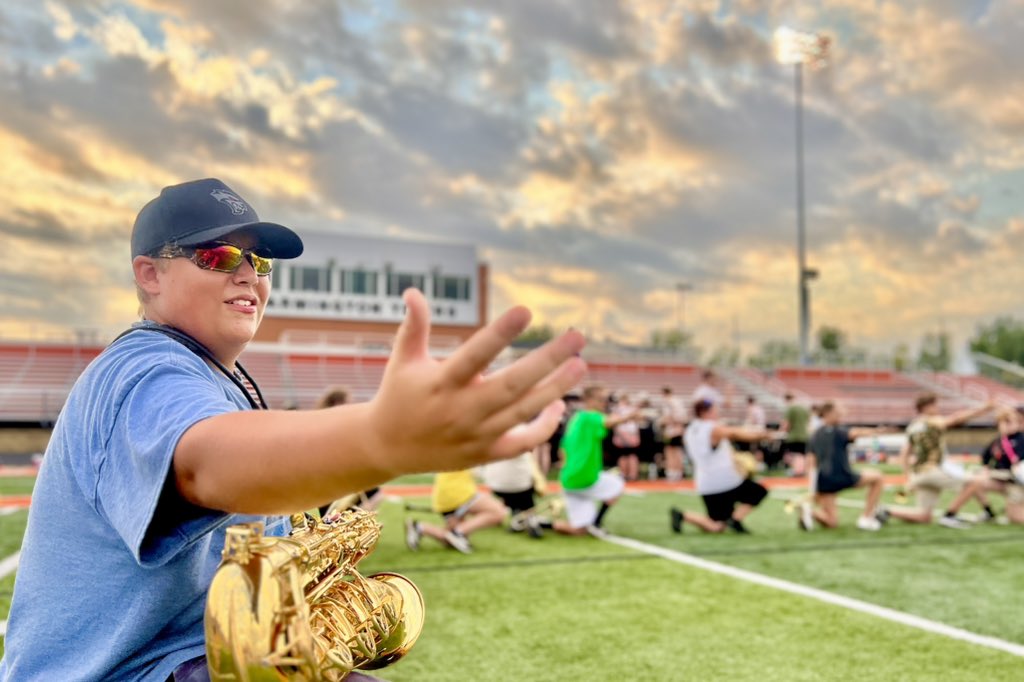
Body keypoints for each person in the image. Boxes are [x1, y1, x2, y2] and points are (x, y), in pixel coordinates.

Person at [0, 178, 586, 681]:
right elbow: (205, 461)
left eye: (259, 262)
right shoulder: (146, 367)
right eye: (218, 257)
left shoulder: (212, 373)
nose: (247, 275)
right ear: (149, 275)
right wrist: (382, 440)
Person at [879, 394, 997, 529]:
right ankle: (950, 515)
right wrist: (984, 409)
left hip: (918, 474)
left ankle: (887, 511)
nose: (937, 408)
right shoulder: (931, 421)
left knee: (924, 517)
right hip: (933, 470)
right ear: (926, 407)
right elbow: (956, 418)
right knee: (974, 482)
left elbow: (905, 453)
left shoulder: (913, 426)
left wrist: (908, 477)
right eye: (934, 405)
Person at [670, 400, 769, 534]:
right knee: (758, 492)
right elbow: (734, 433)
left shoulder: (690, 429)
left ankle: (683, 516)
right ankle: (735, 520)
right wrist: (761, 435)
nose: (717, 413)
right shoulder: (711, 428)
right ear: (705, 412)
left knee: (716, 526)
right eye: (714, 410)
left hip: (705, 483)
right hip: (725, 480)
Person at [553, 385, 635, 536]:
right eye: (603, 400)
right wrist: (630, 416)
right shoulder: (589, 417)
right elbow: (609, 422)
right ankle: (597, 522)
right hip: (584, 476)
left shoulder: (576, 419)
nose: (605, 404)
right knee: (618, 485)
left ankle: (546, 525)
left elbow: (562, 449)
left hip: (569, 477)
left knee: (579, 530)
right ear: (589, 400)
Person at [802, 402, 893, 532]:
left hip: (823, 480)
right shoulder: (838, 430)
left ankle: (810, 512)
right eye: (838, 413)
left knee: (831, 522)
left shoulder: (815, 434)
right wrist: (876, 431)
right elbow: (855, 432)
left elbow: (810, 461)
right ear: (828, 413)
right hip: (842, 475)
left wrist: (813, 487)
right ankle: (866, 518)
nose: (841, 415)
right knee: (877, 477)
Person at [314, 385, 384, 517]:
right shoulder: (333, 425)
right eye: (348, 401)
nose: (351, 405)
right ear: (338, 402)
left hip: (332, 482)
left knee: (375, 496)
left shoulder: (323, 422)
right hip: (334, 481)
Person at [405, 469, 509, 553]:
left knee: (450, 542)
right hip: (459, 494)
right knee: (498, 512)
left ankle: (420, 527)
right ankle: (458, 533)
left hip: (444, 498)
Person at [977, 408, 1024, 525]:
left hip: (1017, 483)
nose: (1005, 426)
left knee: (1017, 519)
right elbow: (985, 459)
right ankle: (988, 512)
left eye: (1009, 422)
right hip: (1001, 479)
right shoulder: (998, 441)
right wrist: (985, 469)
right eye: (1002, 423)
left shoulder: (1021, 438)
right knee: (974, 482)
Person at [659, 385, 688, 480]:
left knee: (672, 452)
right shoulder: (677, 402)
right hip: (675, 430)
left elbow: (673, 418)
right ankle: (675, 472)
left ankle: (674, 472)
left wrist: (665, 422)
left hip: (673, 431)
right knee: (673, 451)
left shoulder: (670, 402)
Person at [781, 393, 811, 475]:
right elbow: (808, 422)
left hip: (794, 436)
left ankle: (798, 471)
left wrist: (782, 431)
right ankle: (803, 470)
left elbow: (786, 424)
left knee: (795, 454)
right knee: (803, 454)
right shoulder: (804, 408)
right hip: (805, 435)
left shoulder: (790, 408)